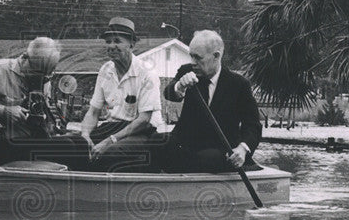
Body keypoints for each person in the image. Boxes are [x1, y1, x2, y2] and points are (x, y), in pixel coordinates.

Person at [160, 29, 262, 173]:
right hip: (185, 144)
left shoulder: (239, 84)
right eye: (191, 56)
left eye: (198, 57)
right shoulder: (187, 71)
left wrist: (242, 149)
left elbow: (253, 125)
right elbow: (168, 93)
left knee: (208, 158)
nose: (193, 62)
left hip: (218, 150)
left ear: (216, 56)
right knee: (157, 143)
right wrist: (180, 86)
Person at [0, 37, 75, 166]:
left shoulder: (43, 79)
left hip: (27, 140)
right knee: (68, 147)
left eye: (48, 74)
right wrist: (4, 111)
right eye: (37, 72)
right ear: (25, 57)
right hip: (1, 142)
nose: (42, 78)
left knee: (79, 142)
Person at [80, 17, 163, 172]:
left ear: (131, 44)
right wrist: (85, 135)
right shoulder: (105, 70)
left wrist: (109, 141)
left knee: (109, 154)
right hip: (111, 127)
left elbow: (144, 120)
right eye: (108, 41)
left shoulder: (146, 73)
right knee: (75, 146)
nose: (111, 46)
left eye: (117, 41)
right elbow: (93, 111)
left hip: (140, 132)